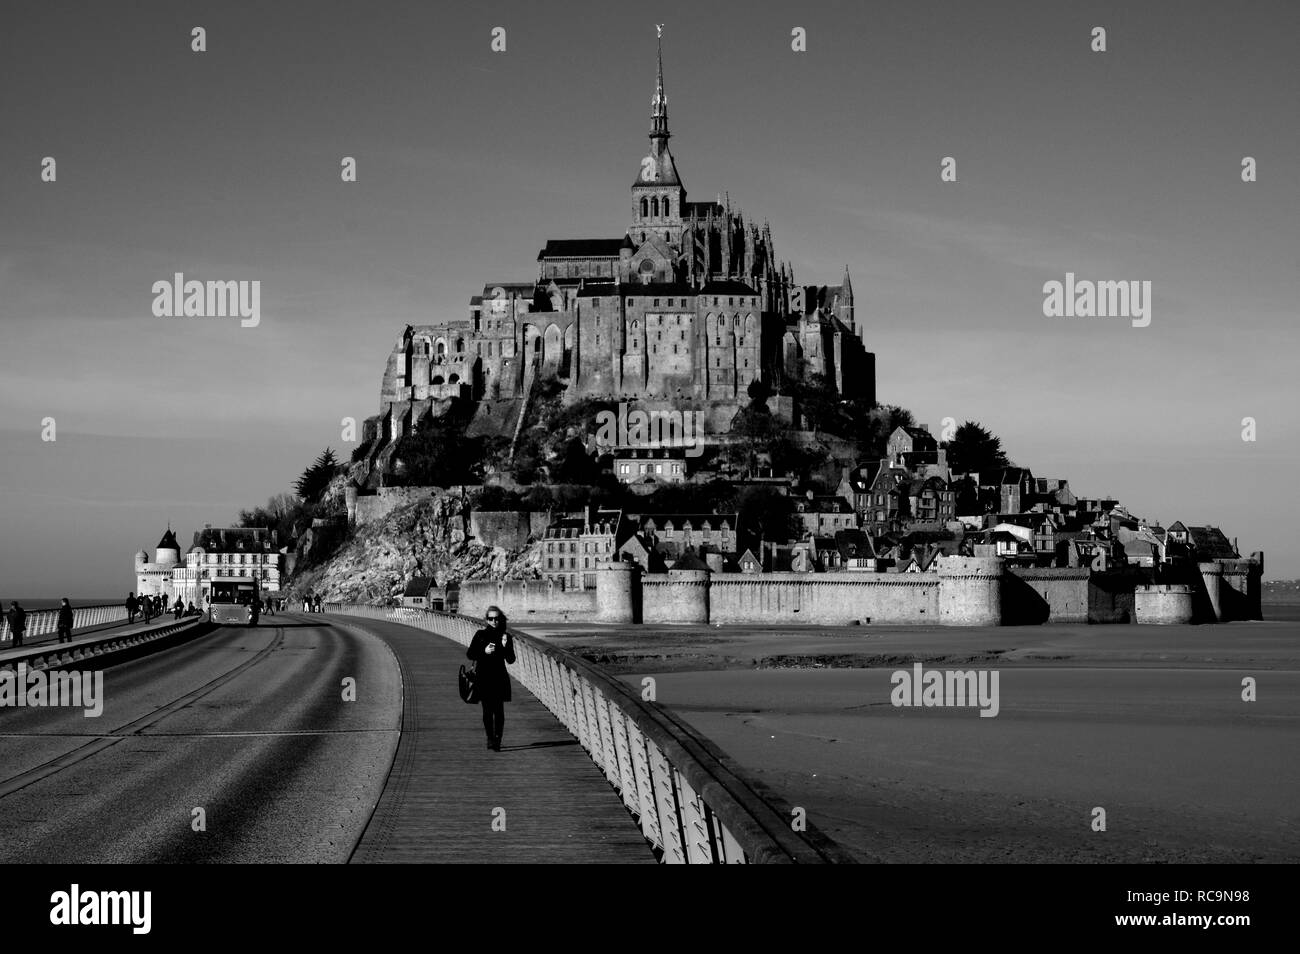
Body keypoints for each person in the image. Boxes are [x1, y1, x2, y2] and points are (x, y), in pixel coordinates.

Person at [466, 605, 516, 751]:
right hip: (483, 677)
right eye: (491, 618)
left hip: (500, 677)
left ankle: (497, 740)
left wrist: (506, 646)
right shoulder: (480, 635)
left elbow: (511, 660)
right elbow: (470, 654)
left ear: (500, 619)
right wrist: (484, 651)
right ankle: (490, 738)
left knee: (499, 712)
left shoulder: (506, 636)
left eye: (496, 618)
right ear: (486, 620)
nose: (494, 621)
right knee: (487, 711)